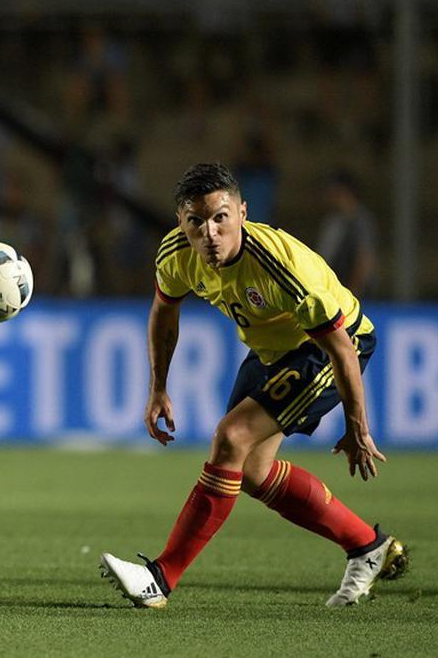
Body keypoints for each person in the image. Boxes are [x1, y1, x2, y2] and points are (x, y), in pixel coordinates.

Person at [100, 163, 408, 609]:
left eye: (221, 218)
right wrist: (158, 387)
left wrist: (357, 426)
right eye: (196, 221)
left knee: (231, 437)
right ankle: (368, 546)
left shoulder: (282, 268)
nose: (209, 232)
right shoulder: (176, 254)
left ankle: (160, 578)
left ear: (243, 213)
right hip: (271, 350)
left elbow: (342, 349)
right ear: (180, 223)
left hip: (328, 346)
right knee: (249, 470)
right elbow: (163, 314)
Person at [315, 169, 377, 298]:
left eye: (332, 191)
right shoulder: (333, 221)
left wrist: (352, 294)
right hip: (334, 294)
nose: (328, 196)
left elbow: (364, 260)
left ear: (345, 192)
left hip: (355, 297)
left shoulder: (360, 220)